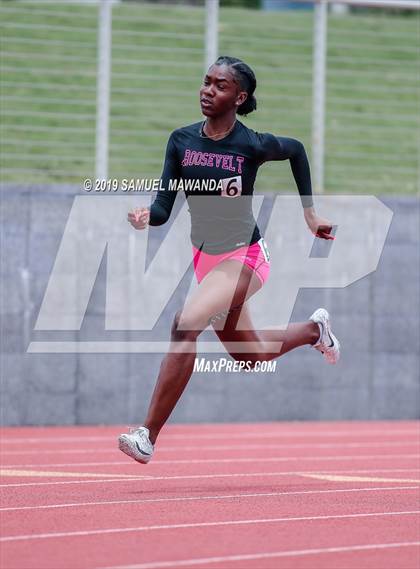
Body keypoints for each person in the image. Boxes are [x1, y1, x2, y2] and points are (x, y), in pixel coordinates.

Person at [119, 56, 340, 464]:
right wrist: (148, 217)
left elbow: (297, 150)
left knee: (184, 325)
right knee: (249, 355)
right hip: (207, 263)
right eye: (206, 82)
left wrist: (310, 213)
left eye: (220, 86)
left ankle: (147, 435)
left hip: (246, 258)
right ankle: (314, 330)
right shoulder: (181, 141)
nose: (208, 90)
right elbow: (164, 206)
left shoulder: (251, 144)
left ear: (239, 98)